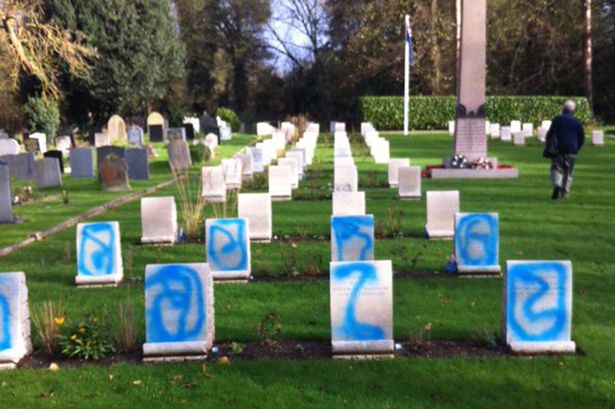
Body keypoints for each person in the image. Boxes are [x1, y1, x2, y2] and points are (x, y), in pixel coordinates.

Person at [544, 100, 585, 200]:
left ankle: (557, 184)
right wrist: (577, 148)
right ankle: (564, 193)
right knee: (568, 172)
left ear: (563, 109)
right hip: (572, 150)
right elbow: (581, 138)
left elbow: (550, 135)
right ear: (573, 110)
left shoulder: (557, 120)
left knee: (555, 168)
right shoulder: (577, 122)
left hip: (558, 149)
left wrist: (549, 145)